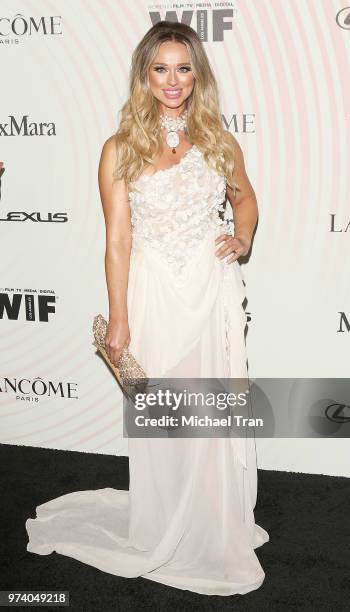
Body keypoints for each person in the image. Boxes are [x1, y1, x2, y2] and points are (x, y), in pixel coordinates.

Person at [25, 21, 269, 596]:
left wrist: (244, 238)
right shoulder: (119, 148)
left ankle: (212, 522)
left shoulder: (217, 139)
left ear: (198, 74)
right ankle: (165, 522)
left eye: (184, 68)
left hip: (209, 293)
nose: (173, 80)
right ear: (144, 74)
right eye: (161, 68)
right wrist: (119, 318)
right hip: (154, 293)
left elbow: (246, 196)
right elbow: (116, 242)